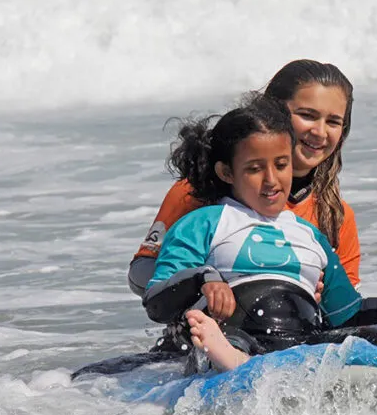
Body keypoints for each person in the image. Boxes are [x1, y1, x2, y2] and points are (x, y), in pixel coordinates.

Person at [143, 93, 377, 374]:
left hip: (301, 340)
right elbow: (157, 297)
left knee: (374, 337)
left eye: (281, 165)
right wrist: (205, 280)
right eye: (254, 169)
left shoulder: (309, 236)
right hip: (236, 335)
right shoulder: (206, 221)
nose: (272, 180)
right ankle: (232, 359)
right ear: (226, 172)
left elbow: (350, 315)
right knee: (224, 342)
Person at [128, 59, 362, 297]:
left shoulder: (336, 216)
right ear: (273, 114)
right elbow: (142, 272)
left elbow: (347, 308)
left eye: (333, 122)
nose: (320, 132)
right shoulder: (198, 190)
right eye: (307, 115)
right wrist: (207, 283)